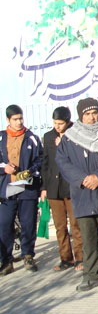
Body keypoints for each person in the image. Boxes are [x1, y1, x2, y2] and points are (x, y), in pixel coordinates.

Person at [55, 98, 98, 291]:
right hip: (83, 193)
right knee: (88, 238)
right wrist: (83, 179)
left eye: (94, 113)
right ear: (81, 116)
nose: (92, 117)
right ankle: (91, 275)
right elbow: (62, 162)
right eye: (87, 114)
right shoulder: (69, 138)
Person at [0, 105, 43, 276]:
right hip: (7, 188)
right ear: (8, 120)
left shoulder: (32, 138)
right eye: (15, 119)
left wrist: (30, 171)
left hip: (26, 186)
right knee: (4, 224)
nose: (19, 122)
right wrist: (4, 168)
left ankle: (28, 255)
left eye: (20, 118)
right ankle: (6, 260)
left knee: (28, 223)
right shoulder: (1, 138)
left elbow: (41, 159)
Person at [40, 107, 83, 272]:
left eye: (60, 123)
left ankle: (80, 257)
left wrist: (64, 145)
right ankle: (66, 258)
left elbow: (79, 159)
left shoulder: (75, 134)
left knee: (76, 224)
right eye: (55, 123)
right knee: (60, 225)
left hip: (71, 186)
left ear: (68, 121)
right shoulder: (48, 136)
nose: (57, 126)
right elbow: (45, 163)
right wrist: (44, 187)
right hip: (53, 187)